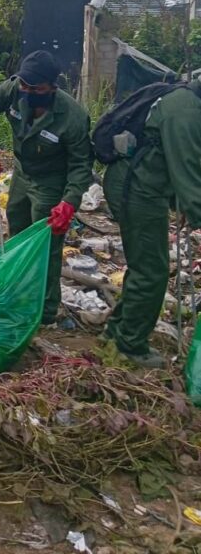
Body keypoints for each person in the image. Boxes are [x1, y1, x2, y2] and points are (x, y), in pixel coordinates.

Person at [0, 50, 93, 325]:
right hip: (23, 171)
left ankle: (45, 310)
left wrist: (70, 201)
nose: (26, 91)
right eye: (24, 85)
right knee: (17, 227)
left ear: (52, 86)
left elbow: (80, 165)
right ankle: (17, 290)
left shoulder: (72, 117)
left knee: (45, 243)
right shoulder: (15, 89)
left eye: (34, 88)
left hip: (52, 180)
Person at [103, 81, 201, 367]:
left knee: (146, 265)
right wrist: (192, 207)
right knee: (152, 271)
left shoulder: (190, 103)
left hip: (144, 186)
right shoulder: (185, 112)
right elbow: (188, 170)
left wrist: (181, 203)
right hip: (136, 189)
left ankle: (115, 332)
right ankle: (129, 347)